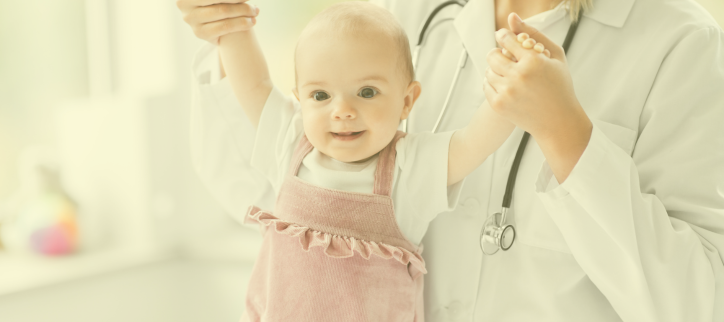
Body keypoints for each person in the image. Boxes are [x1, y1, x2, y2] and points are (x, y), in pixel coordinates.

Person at [178, 0, 724, 320]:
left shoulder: (684, 44)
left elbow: (697, 305)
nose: (341, 111)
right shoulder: (410, 15)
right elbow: (266, 188)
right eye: (319, 98)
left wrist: (567, 135)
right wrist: (225, 27)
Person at [214, 2, 550, 320]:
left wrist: (514, 84)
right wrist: (229, 20)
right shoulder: (289, 142)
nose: (342, 110)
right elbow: (254, 83)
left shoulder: (408, 169)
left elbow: (473, 143)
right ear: (300, 98)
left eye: (367, 92)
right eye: (321, 95)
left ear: (406, 101)